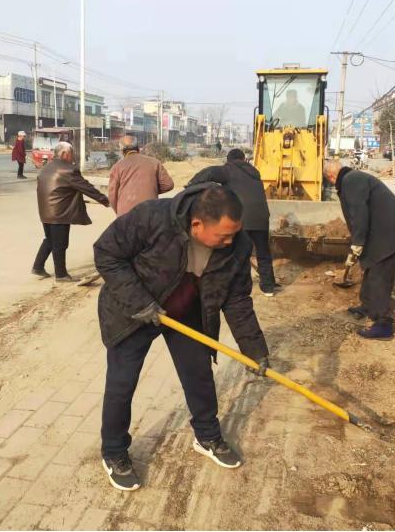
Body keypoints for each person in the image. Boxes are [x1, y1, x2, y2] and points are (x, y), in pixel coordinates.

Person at [94, 184, 270, 490]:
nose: (229, 242)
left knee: (199, 375)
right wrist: (140, 303)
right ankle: (114, 451)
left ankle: (207, 436)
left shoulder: (237, 246)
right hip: (133, 311)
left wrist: (254, 349)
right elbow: (107, 253)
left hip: (186, 312)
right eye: (223, 236)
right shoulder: (153, 217)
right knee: (122, 384)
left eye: (233, 235)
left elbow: (238, 299)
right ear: (197, 224)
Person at [323, 161, 395, 340]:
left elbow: (358, 212)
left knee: (379, 276)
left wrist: (357, 243)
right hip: (382, 230)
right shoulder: (354, 177)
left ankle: (384, 324)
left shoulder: (350, 181)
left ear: (330, 177)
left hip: (388, 233)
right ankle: (367, 306)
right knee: (370, 267)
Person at [188, 148, 280, 297]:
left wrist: (191, 186)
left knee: (234, 252)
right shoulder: (255, 172)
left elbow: (210, 172)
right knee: (263, 252)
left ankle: (233, 285)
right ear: (244, 159)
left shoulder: (229, 169)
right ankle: (268, 287)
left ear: (229, 160)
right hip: (262, 217)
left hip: (242, 218)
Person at [32, 142, 109, 281]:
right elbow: (85, 187)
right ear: (64, 154)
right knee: (60, 243)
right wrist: (105, 200)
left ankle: (38, 267)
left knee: (49, 239)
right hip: (59, 212)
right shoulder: (68, 170)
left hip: (45, 210)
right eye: (71, 153)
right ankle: (61, 274)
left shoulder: (46, 167)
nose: (72, 156)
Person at [108, 135, 174, 215]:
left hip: (126, 215)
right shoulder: (154, 163)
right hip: (150, 212)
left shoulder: (117, 167)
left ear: (122, 151)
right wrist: (152, 189)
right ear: (138, 148)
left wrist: (119, 212)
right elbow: (168, 185)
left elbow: (112, 196)